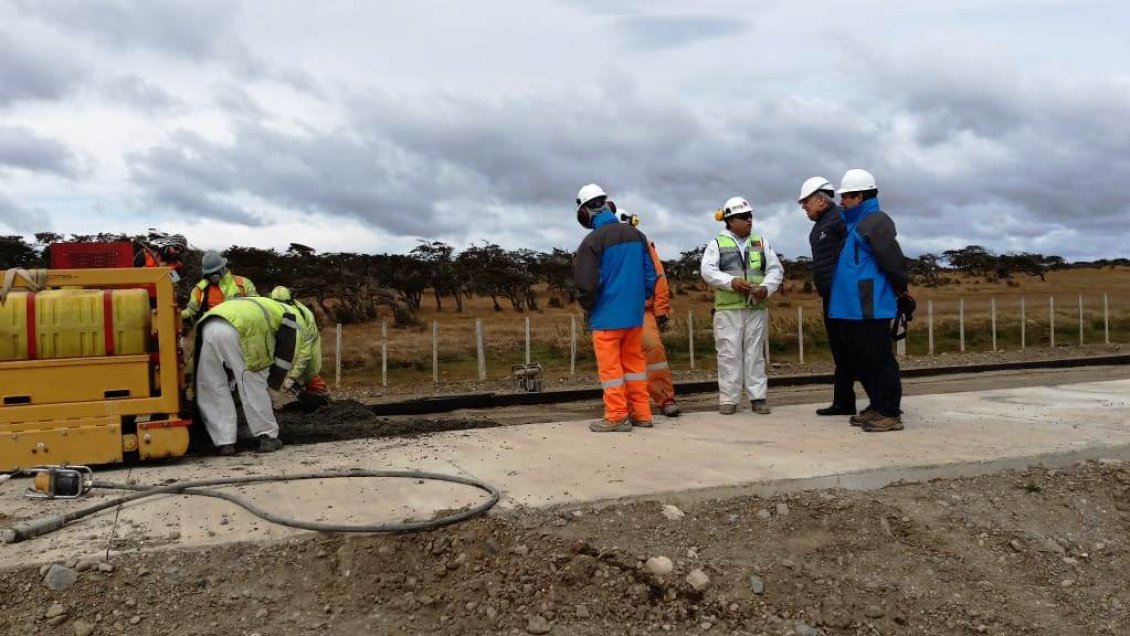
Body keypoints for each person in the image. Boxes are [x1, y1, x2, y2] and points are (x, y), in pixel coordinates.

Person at [828, 169, 910, 433]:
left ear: (859, 197)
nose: (842, 202)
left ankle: (889, 412)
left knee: (878, 358)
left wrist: (902, 292)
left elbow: (893, 261)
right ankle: (877, 405)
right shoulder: (854, 223)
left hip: (869, 305)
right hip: (853, 306)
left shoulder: (875, 221)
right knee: (862, 358)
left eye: (846, 197)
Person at [573, 183, 657, 432]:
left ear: (584, 212)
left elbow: (587, 284)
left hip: (606, 317)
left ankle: (617, 416)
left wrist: (589, 306)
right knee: (634, 366)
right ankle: (642, 414)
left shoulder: (592, 241)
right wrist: (640, 299)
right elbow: (650, 274)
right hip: (633, 316)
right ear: (608, 205)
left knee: (611, 370)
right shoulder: (637, 235)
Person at [194, 296, 316, 455]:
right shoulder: (294, 318)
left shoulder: (265, 305)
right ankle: (267, 436)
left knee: (212, 383)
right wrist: (274, 387)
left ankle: (224, 441)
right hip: (245, 328)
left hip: (210, 324)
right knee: (251, 383)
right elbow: (286, 358)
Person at [700, 196, 784, 415]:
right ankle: (729, 399)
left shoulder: (760, 242)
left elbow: (775, 270)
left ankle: (758, 397)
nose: (749, 220)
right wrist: (731, 282)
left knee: (755, 354)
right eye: (744, 217)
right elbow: (708, 271)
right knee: (729, 354)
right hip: (728, 309)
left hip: (755, 307)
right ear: (730, 220)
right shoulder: (717, 244)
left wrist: (765, 288)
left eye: (750, 216)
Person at [799, 176, 856, 416]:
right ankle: (843, 402)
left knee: (857, 349)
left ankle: (883, 403)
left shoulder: (840, 218)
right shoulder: (822, 224)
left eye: (806, 202)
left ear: (821, 200)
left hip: (845, 295)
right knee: (840, 351)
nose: (804, 207)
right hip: (831, 296)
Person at [618, 209, 680, 417]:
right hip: (615, 312)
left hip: (642, 310)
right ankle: (625, 404)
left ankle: (665, 398)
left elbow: (658, 277)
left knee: (654, 353)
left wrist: (661, 309)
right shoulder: (601, 247)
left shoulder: (644, 245)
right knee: (617, 359)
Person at [269, 286, 329, 409]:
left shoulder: (301, 317)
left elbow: (304, 353)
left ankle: (327, 406)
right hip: (292, 356)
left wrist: (292, 377)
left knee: (312, 383)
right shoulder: (278, 312)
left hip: (307, 359)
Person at [181, 251, 258, 326]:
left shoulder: (243, 283)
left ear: (223, 268)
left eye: (215, 272)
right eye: (209, 273)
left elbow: (255, 306)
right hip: (211, 329)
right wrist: (181, 315)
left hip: (239, 327)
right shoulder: (200, 289)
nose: (212, 276)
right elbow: (191, 310)